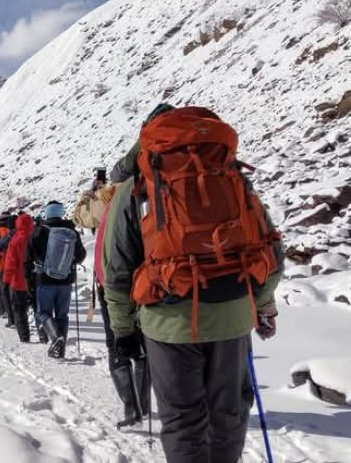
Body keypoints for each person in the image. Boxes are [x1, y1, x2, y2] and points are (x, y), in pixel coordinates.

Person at [104, 106, 283, 463]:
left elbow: (117, 269)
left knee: (184, 420)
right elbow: (269, 248)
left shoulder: (135, 188)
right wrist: (262, 306)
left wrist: (123, 330)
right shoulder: (231, 176)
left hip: (168, 322)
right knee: (228, 414)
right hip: (232, 313)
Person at [94, 182, 149, 427]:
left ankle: (131, 407)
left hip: (110, 286)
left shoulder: (106, 210)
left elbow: (81, 216)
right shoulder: (141, 205)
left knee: (117, 343)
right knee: (142, 344)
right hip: (143, 285)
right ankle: (144, 405)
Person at [26, 201, 86, 358]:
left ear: (47, 213)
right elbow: (81, 255)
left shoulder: (39, 231)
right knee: (62, 315)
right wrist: (69, 264)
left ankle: (55, 338)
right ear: (61, 212)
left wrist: (29, 279)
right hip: (66, 280)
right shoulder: (71, 231)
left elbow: (28, 256)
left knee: (42, 312)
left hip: (44, 279)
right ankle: (61, 350)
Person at [3, 212, 35, 342]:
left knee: (19, 310)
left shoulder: (15, 240)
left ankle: (24, 335)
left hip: (18, 282)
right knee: (38, 309)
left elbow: (10, 263)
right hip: (35, 280)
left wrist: (6, 280)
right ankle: (43, 333)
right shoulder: (35, 237)